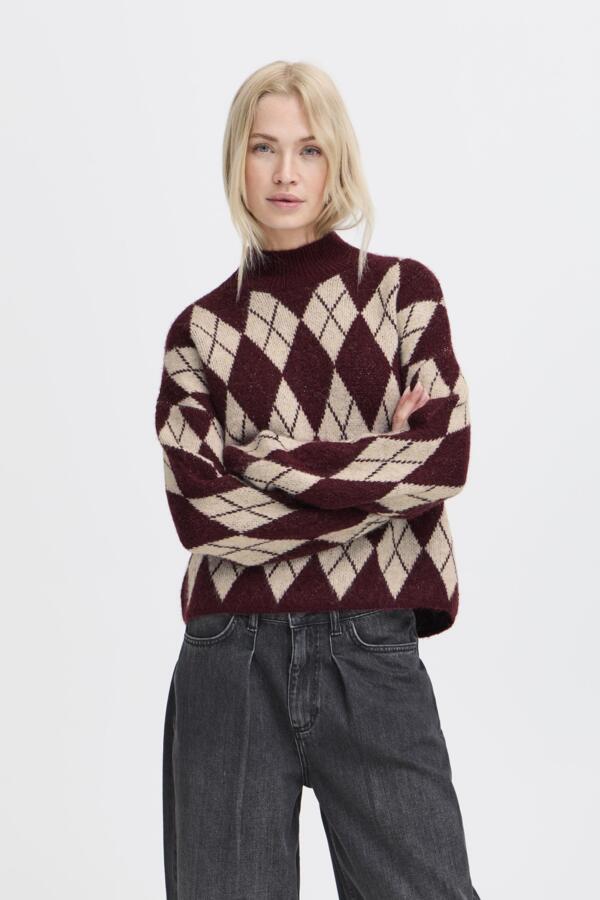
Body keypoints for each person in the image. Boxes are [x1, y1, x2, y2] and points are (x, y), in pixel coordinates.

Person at [155, 60, 481, 900]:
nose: (286, 172)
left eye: (309, 148)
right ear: (237, 159)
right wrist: (376, 464)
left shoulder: (405, 295)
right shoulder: (197, 333)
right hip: (230, 654)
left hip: (371, 647)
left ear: (337, 160)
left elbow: (442, 458)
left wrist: (257, 461)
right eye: (264, 147)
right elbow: (202, 514)